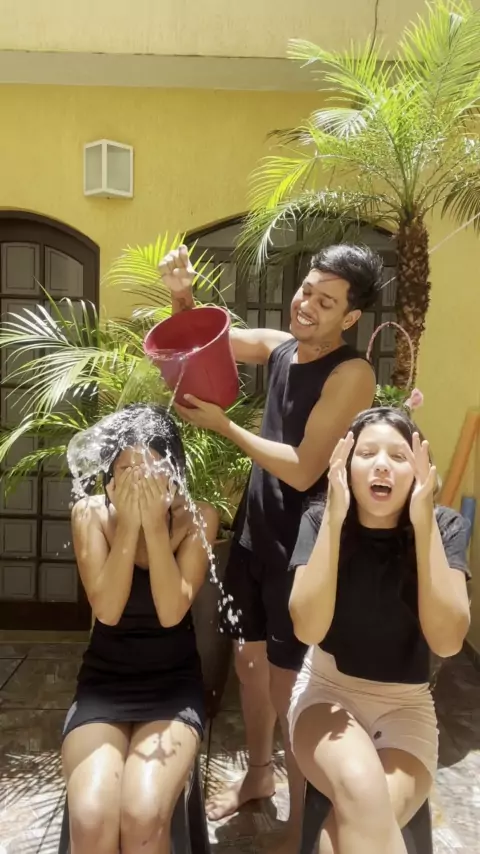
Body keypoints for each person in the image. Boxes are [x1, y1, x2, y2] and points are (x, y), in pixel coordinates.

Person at [159, 242, 381, 851]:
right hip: (257, 533)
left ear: (350, 317)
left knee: (289, 689)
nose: (307, 305)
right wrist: (182, 295)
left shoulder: (351, 374)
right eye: (307, 290)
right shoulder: (283, 348)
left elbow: (306, 467)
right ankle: (259, 776)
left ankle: (299, 821)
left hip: (301, 548)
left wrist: (225, 426)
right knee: (249, 664)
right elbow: (213, 343)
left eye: (326, 302)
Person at [288, 407, 471, 854]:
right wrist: (335, 516)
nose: (382, 465)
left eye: (399, 456)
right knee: (360, 789)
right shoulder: (320, 521)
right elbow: (308, 628)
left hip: (407, 707)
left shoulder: (445, 527)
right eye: (367, 453)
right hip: (328, 695)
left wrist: (423, 520)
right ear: (346, 467)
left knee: (351, 832)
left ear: (420, 470)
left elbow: (447, 640)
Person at [62, 404, 219, 854]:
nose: (138, 483)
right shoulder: (90, 514)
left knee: (143, 815)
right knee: (92, 817)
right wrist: (130, 526)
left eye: (150, 471)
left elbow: (171, 612)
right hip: (104, 685)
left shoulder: (199, 517)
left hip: (172, 687)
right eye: (126, 471)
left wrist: (153, 525)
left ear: (173, 474)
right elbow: (108, 610)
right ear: (109, 476)